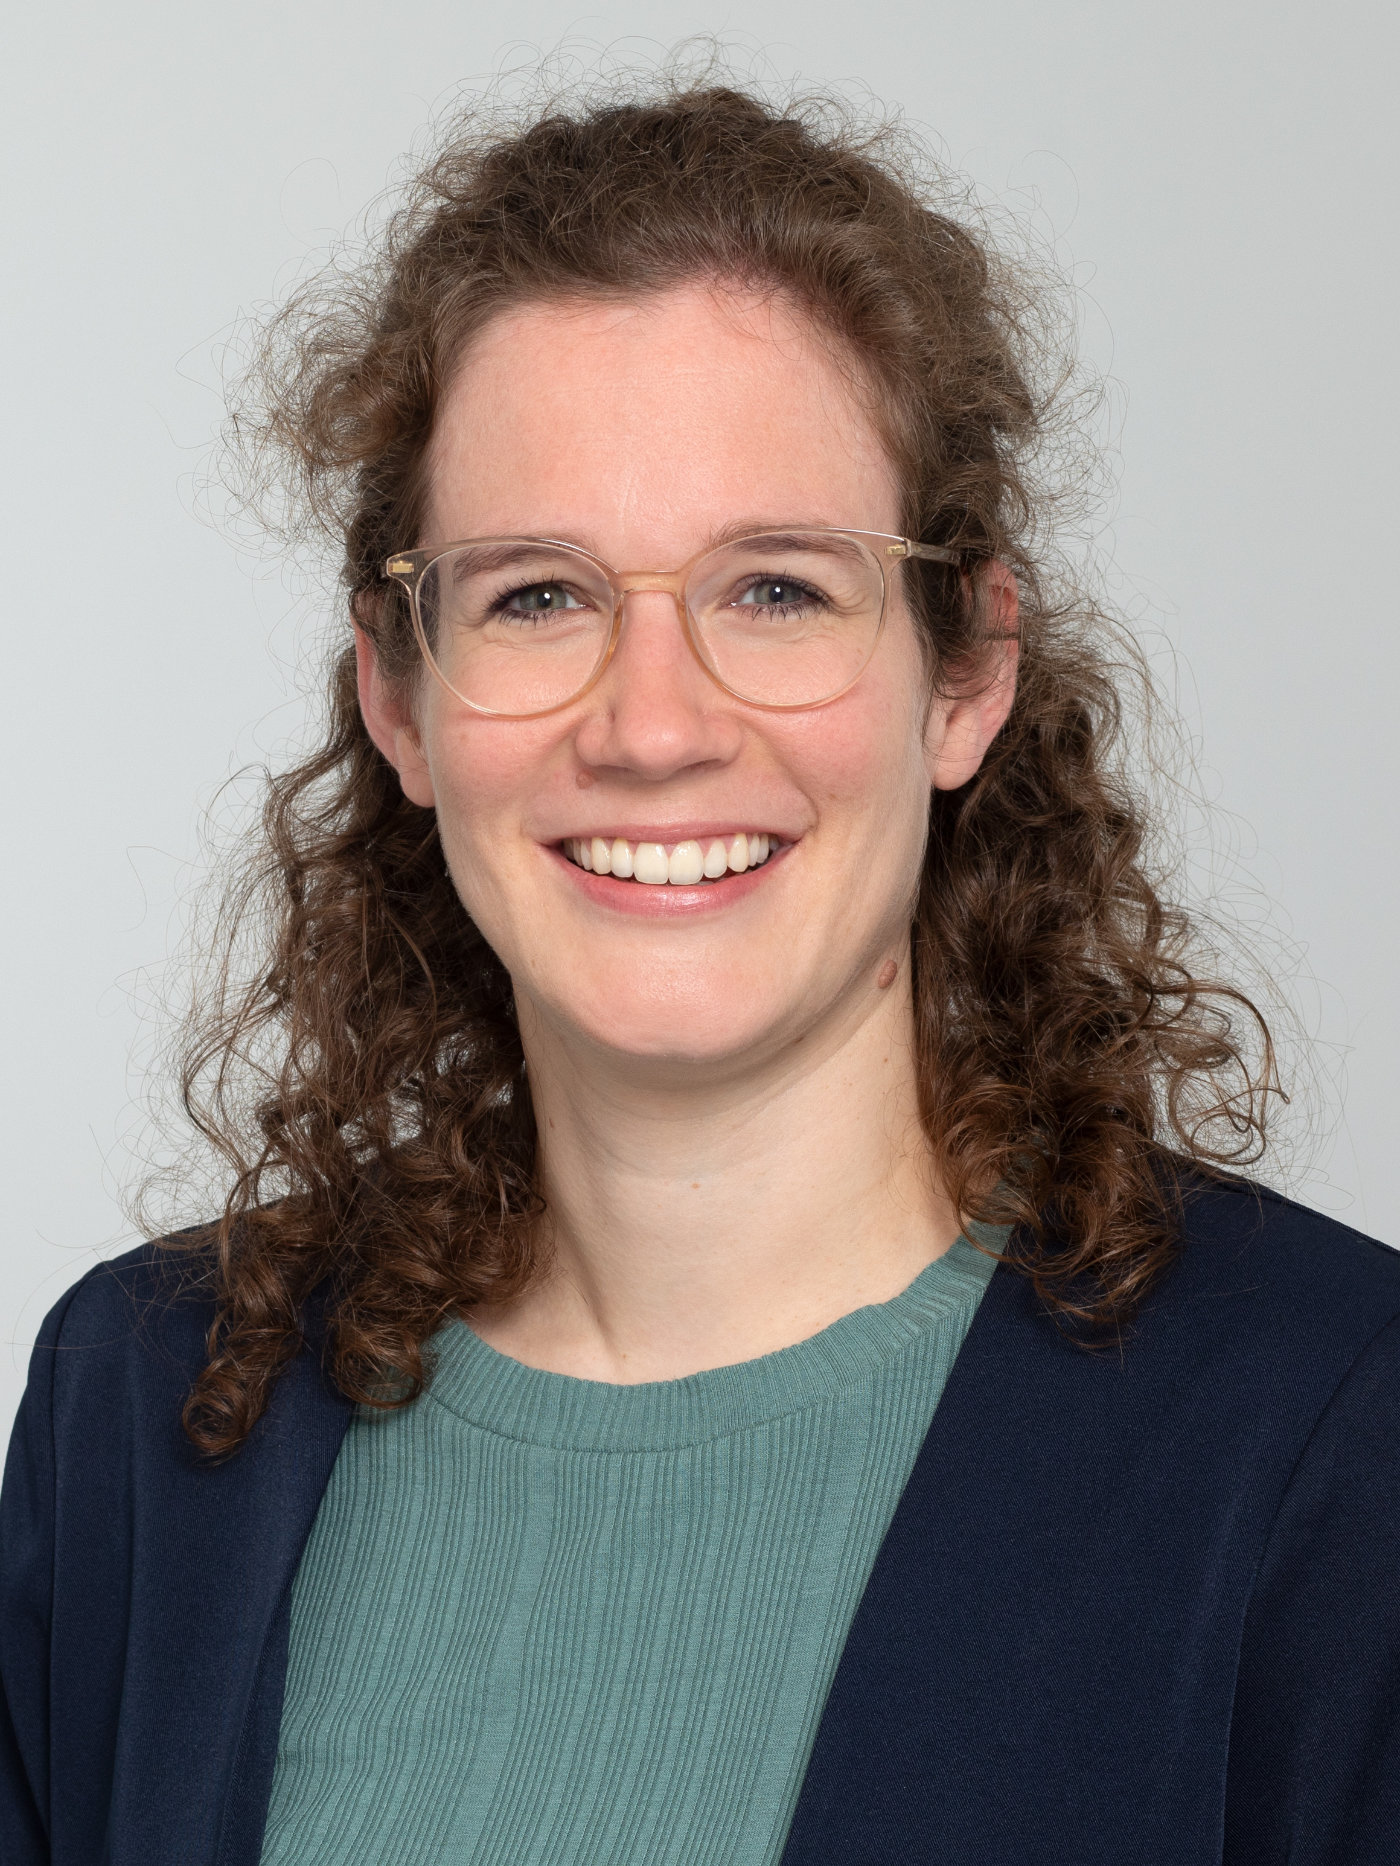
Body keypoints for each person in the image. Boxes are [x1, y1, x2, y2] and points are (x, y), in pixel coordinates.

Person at [2, 76, 1397, 1866]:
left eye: (777, 588)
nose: (652, 726)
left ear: (966, 672)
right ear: (397, 697)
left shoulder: (1325, 1430)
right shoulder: (145, 1413)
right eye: (536, 595)